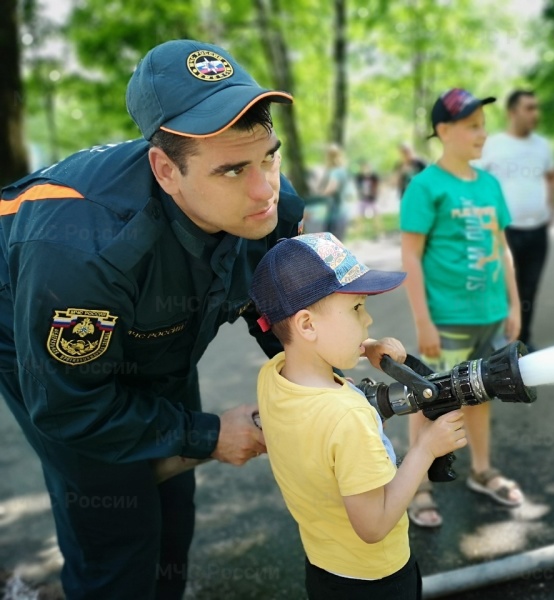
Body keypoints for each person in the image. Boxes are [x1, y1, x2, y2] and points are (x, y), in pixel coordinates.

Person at [0, 39, 387, 599]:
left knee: (173, 506)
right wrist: (207, 434)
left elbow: (269, 305)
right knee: (115, 524)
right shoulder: (81, 253)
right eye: (232, 170)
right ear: (165, 169)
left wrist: (336, 356)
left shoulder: (271, 206)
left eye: (270, 156)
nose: (265, 190)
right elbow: (69, 406)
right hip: (33, 329)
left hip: (158, 330)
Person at [250, 232, 467, 599]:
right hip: (378, 580)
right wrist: (426, 449)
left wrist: (364, 349)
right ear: (306, 325)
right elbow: (374, 524)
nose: (368, 321)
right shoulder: (347, 417)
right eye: (356, 309)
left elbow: (319, 437)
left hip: (324, 568)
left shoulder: (274, 375)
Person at [400, 88, 524, 528]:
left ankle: (482, 470)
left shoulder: (489, 184)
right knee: (431, 399)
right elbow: (411, 255)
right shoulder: (426, 186)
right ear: (444, 131)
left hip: (490, 316)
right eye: (472, 126)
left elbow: (502, 247)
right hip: (446, 319)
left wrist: (514, 304)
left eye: (482, 125)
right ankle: (418, 486)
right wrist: (423, 321)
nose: (482, 134)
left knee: (482, 394)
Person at [479, 90, 554, 352]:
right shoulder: (493, 144)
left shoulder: (542, 145)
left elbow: (551, 175)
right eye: (529, 108)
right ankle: (498, 345)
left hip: (537, 231)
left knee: (529, 288)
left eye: (537, 108)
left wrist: (550, 207)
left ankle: (523, 341)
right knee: (500, 290)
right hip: (504, 231)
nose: (535, 113)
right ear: (512, 112)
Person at [318, 143, 352, 241]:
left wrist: (320, 194)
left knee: (331, 242)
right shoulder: (343, 170)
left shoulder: (335, 171)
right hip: (343, 210)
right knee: (339, 242)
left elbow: (332, 188)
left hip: (335, 212)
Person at [354, 160, 382, 239]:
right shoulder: (359, 177)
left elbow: (378, 187)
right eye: (364, 167)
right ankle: (358, 236)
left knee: (376, 217)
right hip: (363, 199)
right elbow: (358, 188)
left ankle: (379, 234)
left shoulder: (374, 176)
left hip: (372, 199)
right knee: (359, 218)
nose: (365, 169)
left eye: (367, 167)